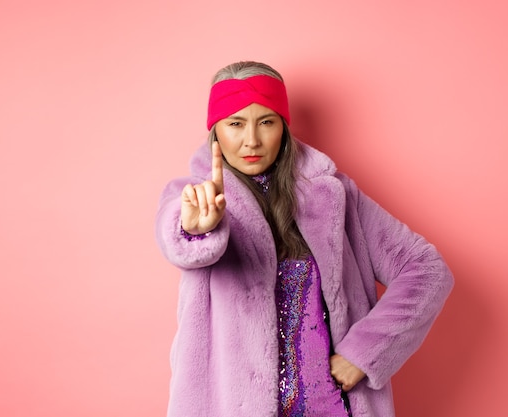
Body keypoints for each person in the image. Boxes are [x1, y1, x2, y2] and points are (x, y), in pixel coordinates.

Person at [155, 61, 454, 417]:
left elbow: (426, 270)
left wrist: (365, 352)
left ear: (283, 126)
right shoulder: (190, 196)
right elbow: (176, 237)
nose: (251, 139)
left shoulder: (335, 195)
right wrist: (197, 227)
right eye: (235, 124)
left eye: (266, 122)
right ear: (216, 131)